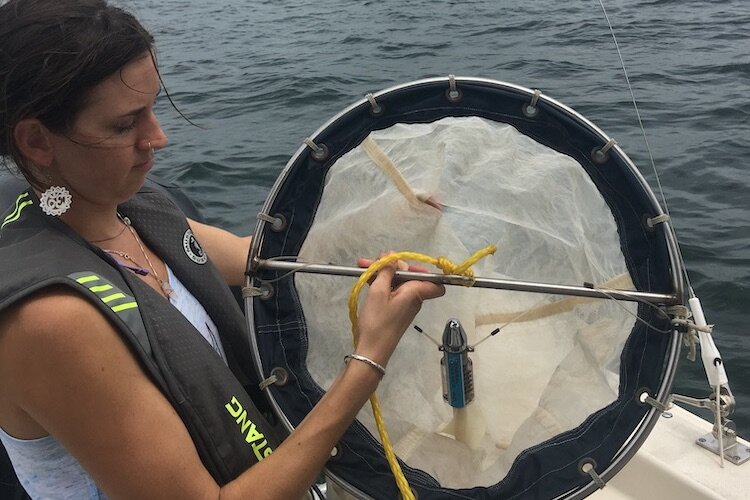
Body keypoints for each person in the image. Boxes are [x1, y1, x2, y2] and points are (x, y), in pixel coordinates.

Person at [0, 0, 445, 498]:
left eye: (154, 109)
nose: (159, 138)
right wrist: (370, 356)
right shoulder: (49, 319)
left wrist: (389, 222)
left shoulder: (129, 211)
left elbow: (255, 257)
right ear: (37, 141)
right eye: (125, 125)